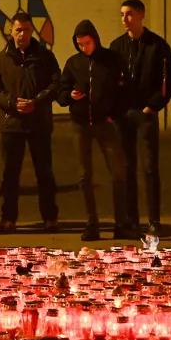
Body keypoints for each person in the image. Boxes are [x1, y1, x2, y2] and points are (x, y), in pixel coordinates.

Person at [0, 12, 61, 233]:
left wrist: (36, 102)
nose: (22, 34)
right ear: (11, 31)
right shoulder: (0, 60)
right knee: (10, 174)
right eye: (18, 30)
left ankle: (50, 218)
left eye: (26, 30)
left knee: (44, 172)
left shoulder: (45, 57)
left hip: (39, 122)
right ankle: (8, 219)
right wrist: (11, 102)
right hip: (12, 124)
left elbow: (56, 83)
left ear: (31, 31)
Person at [110, 0, 171, 237]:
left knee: (149, 168)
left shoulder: (158, 46)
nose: (124, 19)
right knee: (126, 167)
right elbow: (109, 80)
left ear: (140, 16)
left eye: (128, 14)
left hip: (145, 113)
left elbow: (169, 79)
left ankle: (154, 220)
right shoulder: (117, 46)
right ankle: (132, 220)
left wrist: (153, 106)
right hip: (123, 115)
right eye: (121, 14)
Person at [57, 19, 129, 241]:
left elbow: (125, 91)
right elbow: (61, 92)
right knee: (84, 175)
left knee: (118, 172)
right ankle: (92, 223)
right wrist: (70, 96)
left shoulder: (111, 60)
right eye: (79, 44)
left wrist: (113, 114)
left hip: (104, 123)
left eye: (87, 43)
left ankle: (121, 223)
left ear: (95, 40)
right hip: (80, 123)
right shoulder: (73, 63)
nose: (83, 48)